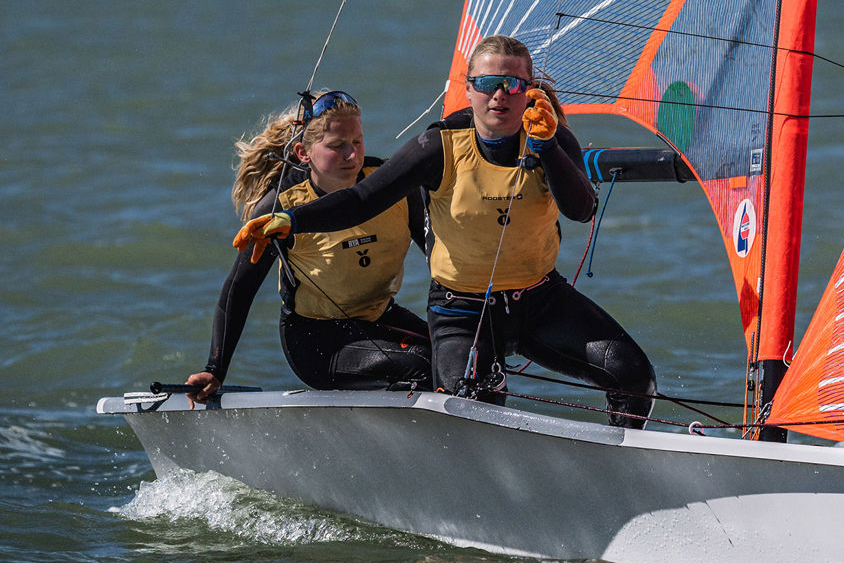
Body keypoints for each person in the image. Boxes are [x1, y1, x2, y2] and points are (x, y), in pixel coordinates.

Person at [233, 36, 656, 428]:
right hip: (462, 312)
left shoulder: (550, 137)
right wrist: (294, 219)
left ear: (530, 90)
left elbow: (582, 210)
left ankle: (624, 477)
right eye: (488, 82)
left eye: (513, 83)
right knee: (475, 410)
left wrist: (547, 149)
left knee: (633, 376)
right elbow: (362, 199)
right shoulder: (437, 147)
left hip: (540, 300)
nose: (500, 94)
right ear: (469, 89)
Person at [186, 90, 432, 404]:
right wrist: (215, 368)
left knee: (466, 359)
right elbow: (239, 289)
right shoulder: (280, 209)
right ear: (304, 152)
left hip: (381, 319)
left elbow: (439, 255)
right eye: (336, 145)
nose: (351, 155)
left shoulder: (390, 186)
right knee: (421, 365)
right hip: (317, 340)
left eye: (357, 142)